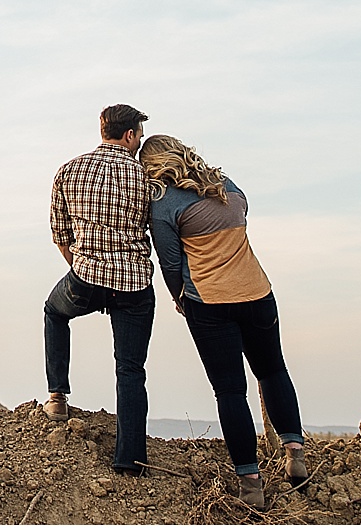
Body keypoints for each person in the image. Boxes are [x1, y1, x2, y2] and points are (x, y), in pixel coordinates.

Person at [141, 133, 307, 509]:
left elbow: (170, 263)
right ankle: (294, 450)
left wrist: (179, 297)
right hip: (258, 293)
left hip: (210, 302)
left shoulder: (163, 204)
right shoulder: (225, 185)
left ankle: (250, 480)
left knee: (230, 391)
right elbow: (243, 216)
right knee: (273, 371)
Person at [42, 103, 157, 476]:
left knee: (54, 312)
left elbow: (61, 235)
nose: (139, 141)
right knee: (130, 369)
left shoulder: (69, 170)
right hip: (135, 284)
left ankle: (57, 397)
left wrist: (85, 266)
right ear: (129, 135)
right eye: (139, 135)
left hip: (86, 278)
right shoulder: (146, 179)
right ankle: (131, 460)